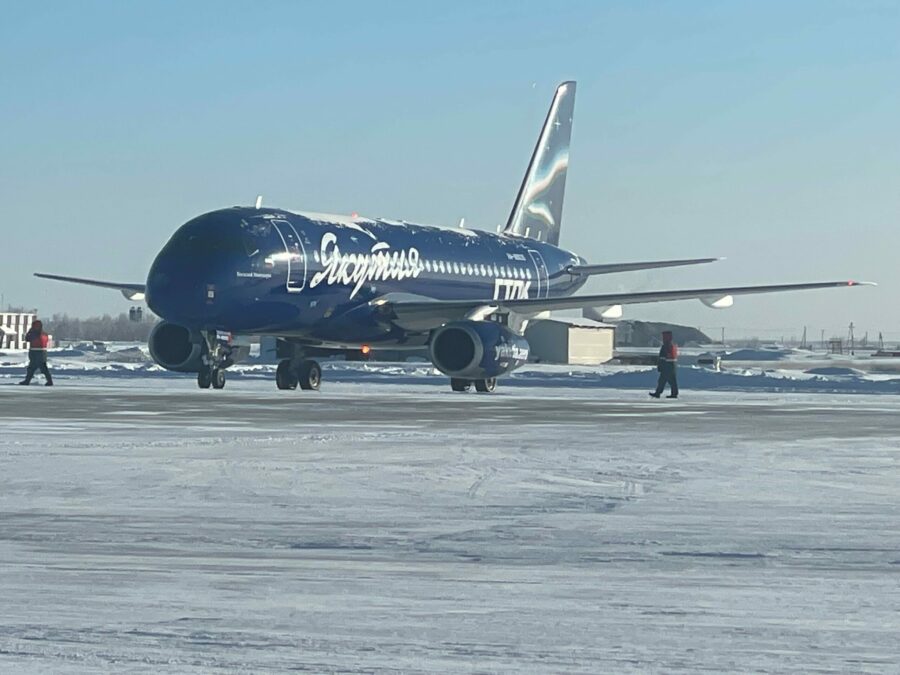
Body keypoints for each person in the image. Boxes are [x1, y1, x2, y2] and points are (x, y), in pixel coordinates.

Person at [19, 319, 53, 386]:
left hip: (35, 352)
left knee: (32, 367)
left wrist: (29, 332)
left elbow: (27, 339)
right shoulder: (45, 334)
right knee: (43, 367)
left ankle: (27, 381)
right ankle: (49, 381)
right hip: (43, 352)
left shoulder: (34, 334)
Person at [649, 330, 677, 399]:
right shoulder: (672, 345)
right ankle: (674, 393)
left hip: (666, 367)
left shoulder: (665, 346)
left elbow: (662, 358)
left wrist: (660, 366)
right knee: (671, 381)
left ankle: (658, 393)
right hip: (671, 366)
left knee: (662, 381)